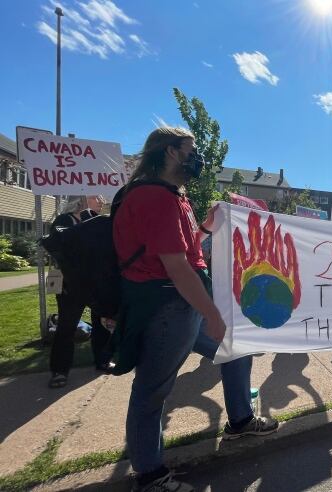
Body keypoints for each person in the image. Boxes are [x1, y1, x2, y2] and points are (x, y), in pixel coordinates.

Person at [113, 127, 276, 492]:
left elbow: (188, 249)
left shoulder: (174, 196)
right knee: (152, 390)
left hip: (184, 305)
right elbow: (176, 266)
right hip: (167, 307)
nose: (197, 157)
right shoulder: (154, 197)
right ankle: (151, 475)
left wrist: (205, 226)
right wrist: (214, 314)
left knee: (235, 352)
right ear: (171, 153)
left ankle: (240, 421)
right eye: (192, 150)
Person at [48, 195, 113, 388]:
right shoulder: (64, 221)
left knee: (101, 323)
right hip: (71, 284)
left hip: (95, 284)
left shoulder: (95, 220)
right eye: (96, 197)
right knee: (67, 326)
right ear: (81, 198)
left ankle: (102, 360)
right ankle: (59, 371)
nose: (101, 201)